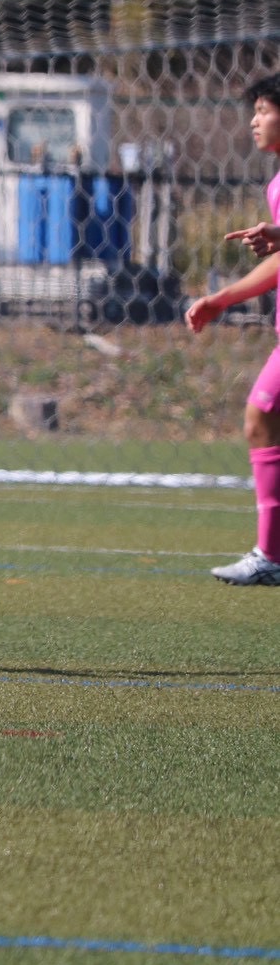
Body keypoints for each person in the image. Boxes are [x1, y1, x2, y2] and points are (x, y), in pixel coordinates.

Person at [186, 72, 280, 584]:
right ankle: (271, 556)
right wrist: (222, 299)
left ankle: (271, 557)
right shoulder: (277, 184)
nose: (253, 121)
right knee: (262, 415)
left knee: (261, 412)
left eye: (264, 109)